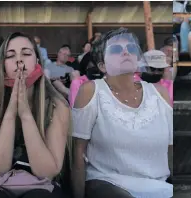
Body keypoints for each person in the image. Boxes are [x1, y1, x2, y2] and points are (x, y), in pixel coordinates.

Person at [0, 32, 71, 198]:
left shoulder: (58, 106)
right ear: (3, 66)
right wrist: (11, 113)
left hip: (42, 189)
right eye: (10, 56)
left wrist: (25, 114)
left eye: (27, 54)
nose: (19, 60)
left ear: (37, 62)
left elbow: (47, 173)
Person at [72, 28, 173, 198]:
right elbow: (77, 153)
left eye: (132, 49)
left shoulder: (159, 93)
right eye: (116, 49)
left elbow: (171, 151)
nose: (126, 52)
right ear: (102, 65)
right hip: (107, 185)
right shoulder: (91, 91)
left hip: (159, 188)